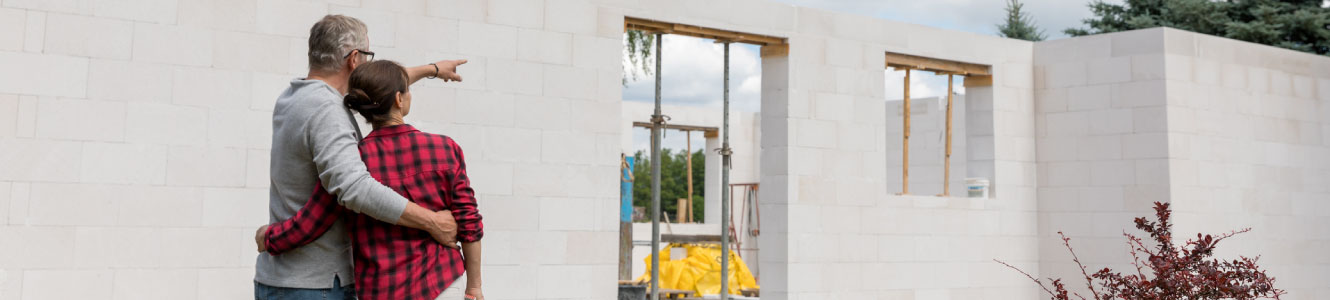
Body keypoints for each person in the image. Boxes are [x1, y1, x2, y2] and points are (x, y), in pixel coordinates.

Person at [254, 15, 469, 300]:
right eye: (368, 56)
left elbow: (379, 88)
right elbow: (354, 187)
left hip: (288, 278)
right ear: (354, 59)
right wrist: (432, 222)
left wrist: (432, 69)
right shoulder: (326, 110)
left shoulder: (296, 96)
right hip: (314, 286)